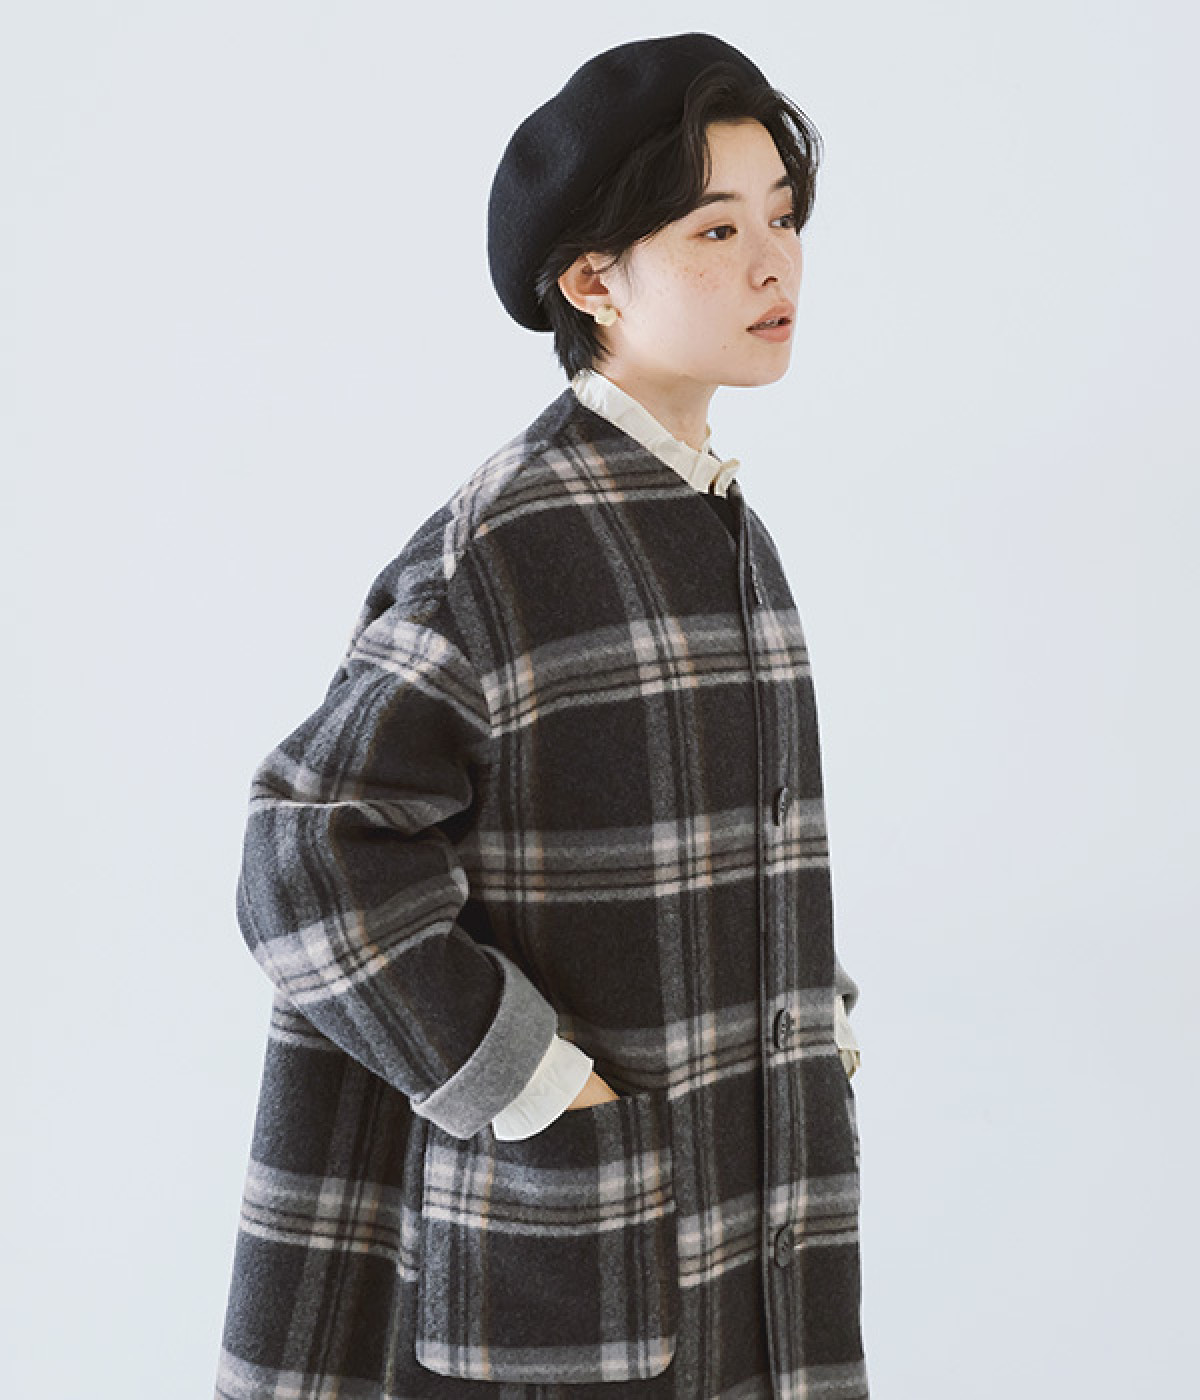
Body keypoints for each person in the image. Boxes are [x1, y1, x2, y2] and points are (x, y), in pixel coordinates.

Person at [215, 31, 868, 1400]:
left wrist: (810, 1022)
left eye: (784, 219)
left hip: (739, 1211)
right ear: (591, 280)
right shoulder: (508, 542)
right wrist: (531, 1080)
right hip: (564, 1265)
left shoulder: (718, 521)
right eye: (717, 229)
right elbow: (306, 856)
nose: (776, 266)